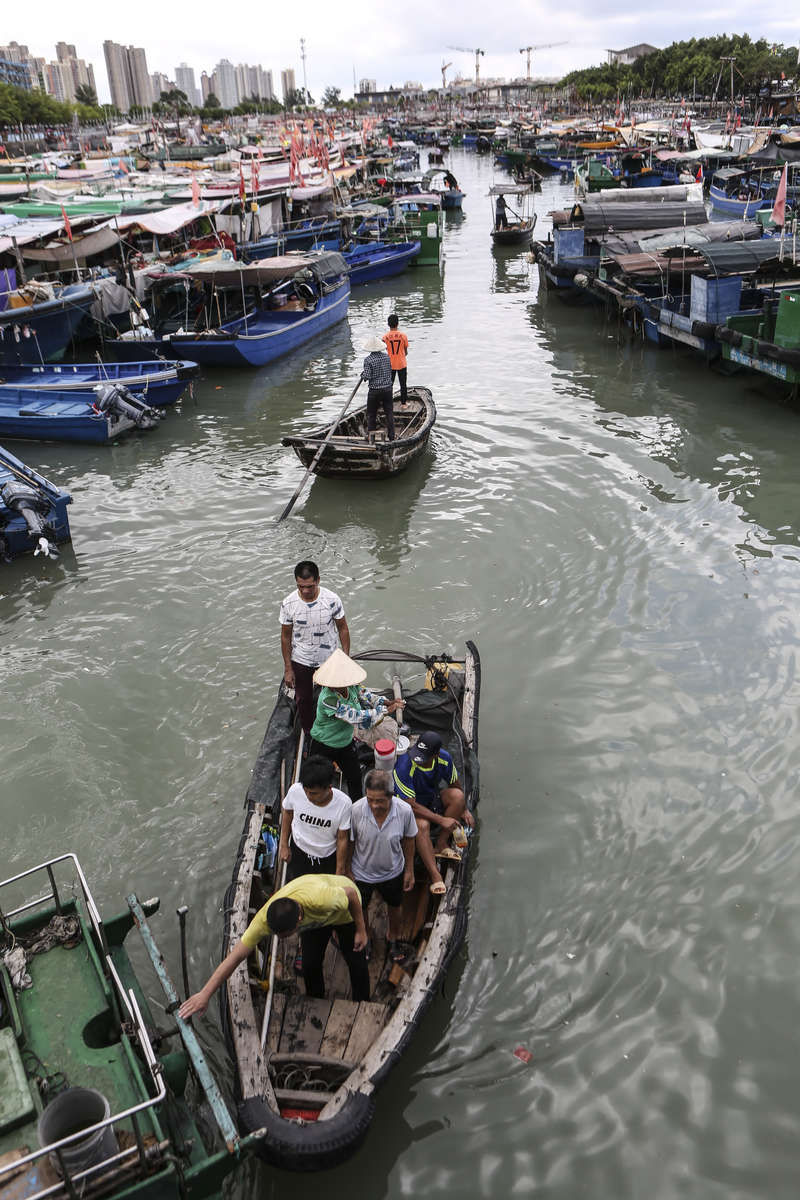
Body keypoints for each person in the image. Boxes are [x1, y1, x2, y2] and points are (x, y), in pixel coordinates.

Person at [178, 873, 369, 1015]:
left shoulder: (321, 899)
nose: (282, 939)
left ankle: (363, 1004)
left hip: (346, 912)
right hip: (318, 923)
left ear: (299, 919)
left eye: (286, 935)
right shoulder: (263, 921)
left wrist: (361, 930)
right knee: (310, 965)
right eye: (279, 935)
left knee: (357, 962)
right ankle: (317, 1002)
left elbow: (351, 894)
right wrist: (205, 994)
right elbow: (235, 957)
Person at [348, 770, 445, 961]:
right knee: (361, 908)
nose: (374, 806)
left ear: (391, 797)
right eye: (370, 800)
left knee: (395, 906)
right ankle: (365, 936)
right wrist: (346, 869)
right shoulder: (356, 810)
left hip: (393, 872)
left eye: (380, 801)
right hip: (361, 873)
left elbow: (409, 840)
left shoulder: (404, 811)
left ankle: (393, 938)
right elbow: (350, 841)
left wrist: (409, 870)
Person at [309, 649, 404, 800]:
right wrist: (386, 710)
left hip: (345, 742)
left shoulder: (352, 686)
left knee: (354, 778)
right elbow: (356, 717)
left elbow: (367, 695)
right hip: (324, 744)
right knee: (319, 780)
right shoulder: (328, 699)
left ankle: (356, 806)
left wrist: (387, 701)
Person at [280, 560, 350, 736]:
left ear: (318, 580)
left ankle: (336, 729)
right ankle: (311, 732)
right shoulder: (289, 603)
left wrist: (345, 659)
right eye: (300, 586)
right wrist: (288, 668)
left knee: (336, 695)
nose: (305, 591)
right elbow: (285, 637)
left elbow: (343, 628)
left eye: (309, 586)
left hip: (329, 658)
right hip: (301, 659)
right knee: (303, 700)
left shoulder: (332, 600)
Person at [393, 730, 474, 858]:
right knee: (423, 825)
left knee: (458, 796)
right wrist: (441, 820)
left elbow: (454, 783)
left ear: (436, 755)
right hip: (409, 809)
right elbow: (410, 805)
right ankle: (434, 872)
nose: (418, 759)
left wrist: (463, 810)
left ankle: (441, 843)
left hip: (431, 799)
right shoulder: (404, 766)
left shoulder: (444, 758)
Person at [280, 755, 352, 879]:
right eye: (306, 791)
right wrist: (284, 845)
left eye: (314, 793)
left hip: (327, 857)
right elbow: (288, 813)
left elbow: (342, 838)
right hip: (299, 851)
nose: (308, 796)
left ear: (329, 788)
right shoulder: (295, 791)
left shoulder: (344, 804)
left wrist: (340, 870)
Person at [361, 335, 395, 443]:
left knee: (372, 414)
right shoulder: (387, 357)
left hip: (374, 391)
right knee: (389, 412)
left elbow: (366, 377)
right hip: (387, 389)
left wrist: (362, 375)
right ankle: (392, 436)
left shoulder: (368, 360)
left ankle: (372, 437)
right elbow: (389, 370)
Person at [382, 313, 409, 405]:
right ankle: (404, 404)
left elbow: (384, 348)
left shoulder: (385, 337)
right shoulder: (403, 336)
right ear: (398, 324)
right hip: (401, 363)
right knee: (403, 385)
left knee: (389, 385)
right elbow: (405, 351)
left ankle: (388, 403)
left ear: (388, 324)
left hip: (390, 364)